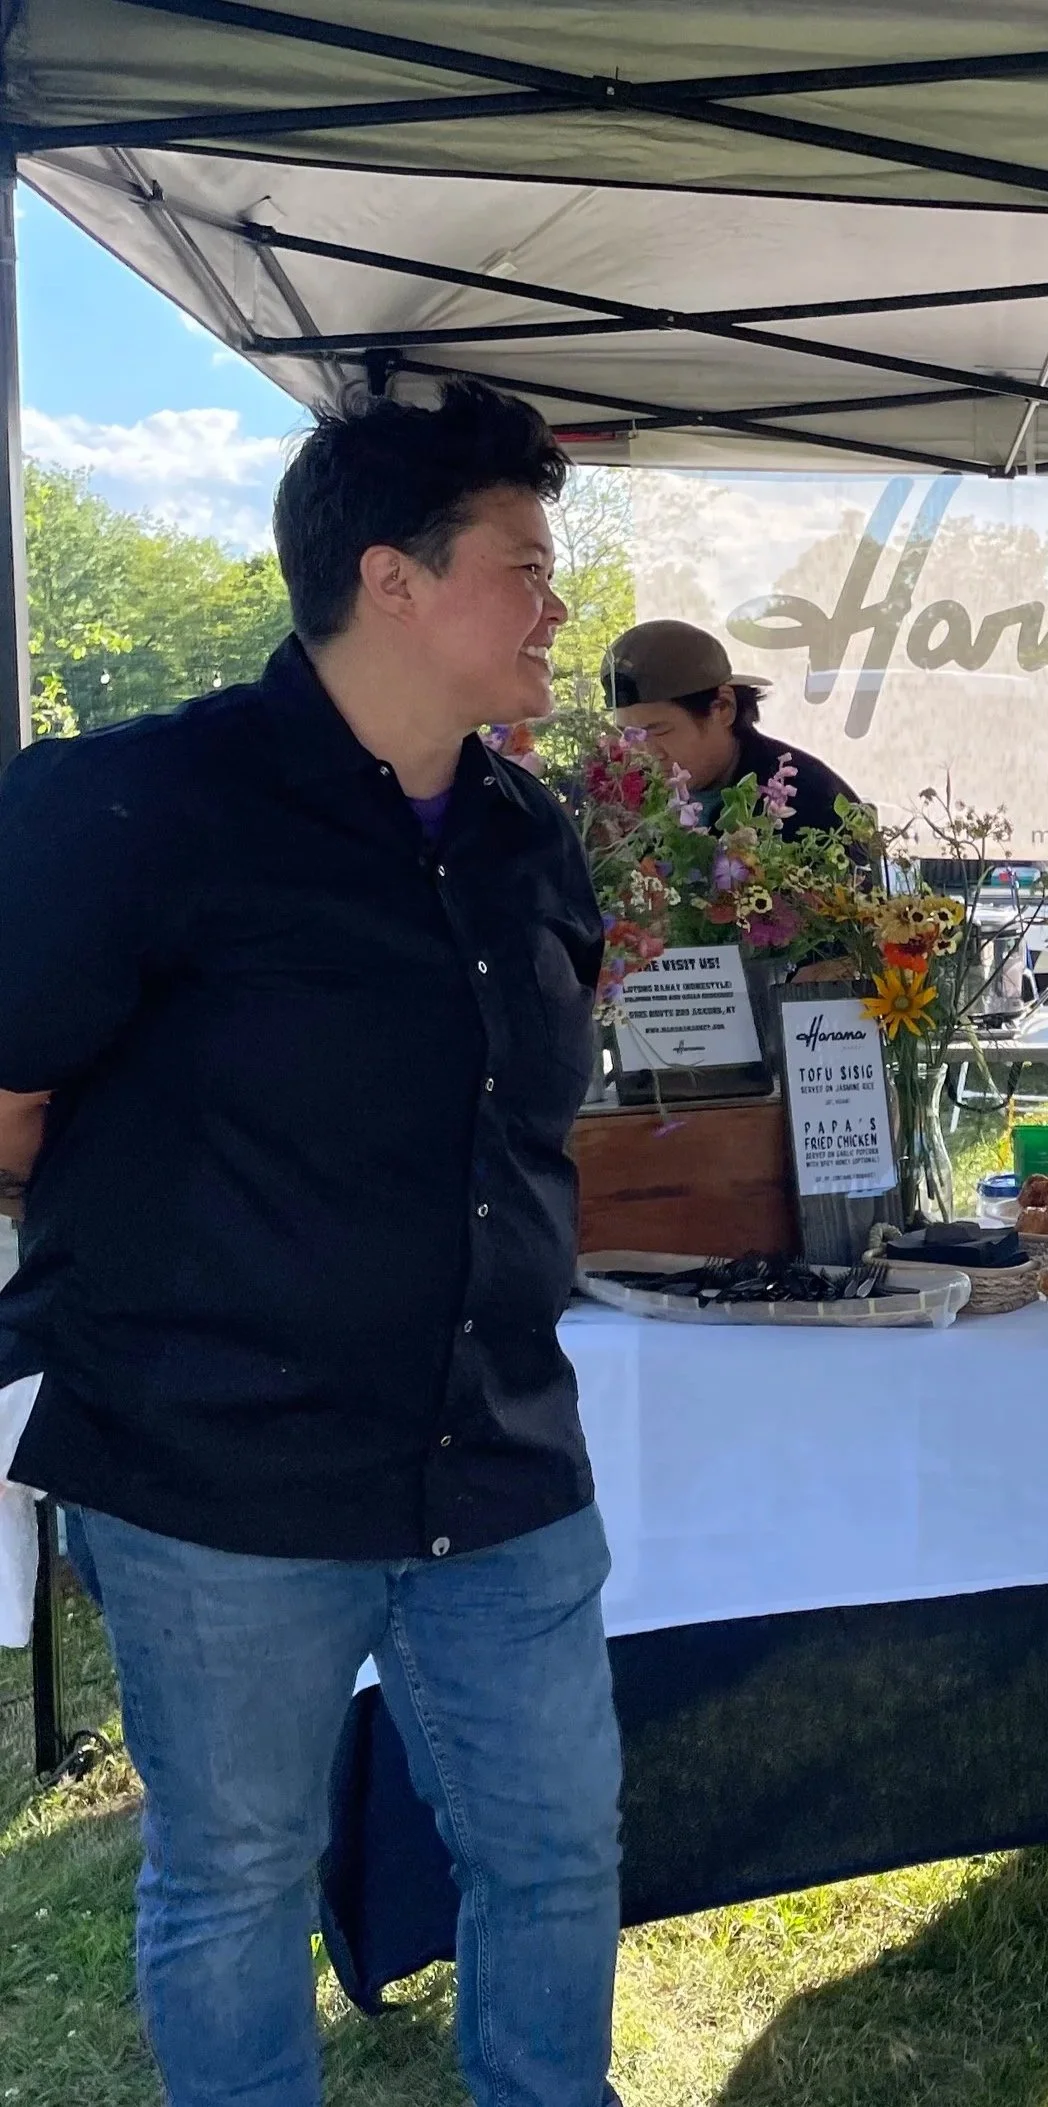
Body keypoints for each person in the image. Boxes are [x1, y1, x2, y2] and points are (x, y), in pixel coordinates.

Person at [0, 380, 625, 2107]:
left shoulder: (523, 835)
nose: (557, 606)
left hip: (494, 1464)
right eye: (524, 565)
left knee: (559, 1860)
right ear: (394, 582)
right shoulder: (135, 806)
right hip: (215, 1483)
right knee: (233, 1886)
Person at [602, 617, 861, 839]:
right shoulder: (625, 796)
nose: (644, 753)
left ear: (723, 708)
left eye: (658, 730)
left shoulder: (813, 802)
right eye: (629, 734)